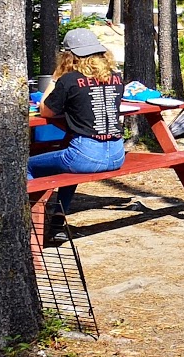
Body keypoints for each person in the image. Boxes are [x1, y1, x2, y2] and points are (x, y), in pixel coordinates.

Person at [29, 28, 126, 239]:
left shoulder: (69, 80)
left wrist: (55, 79)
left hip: (86, 154)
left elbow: (46, 109)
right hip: (117, 153)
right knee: (69, 168)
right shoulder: (116, 78)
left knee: (26, 165)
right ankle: (57, 221)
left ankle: (29, 223)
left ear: (69, 55)